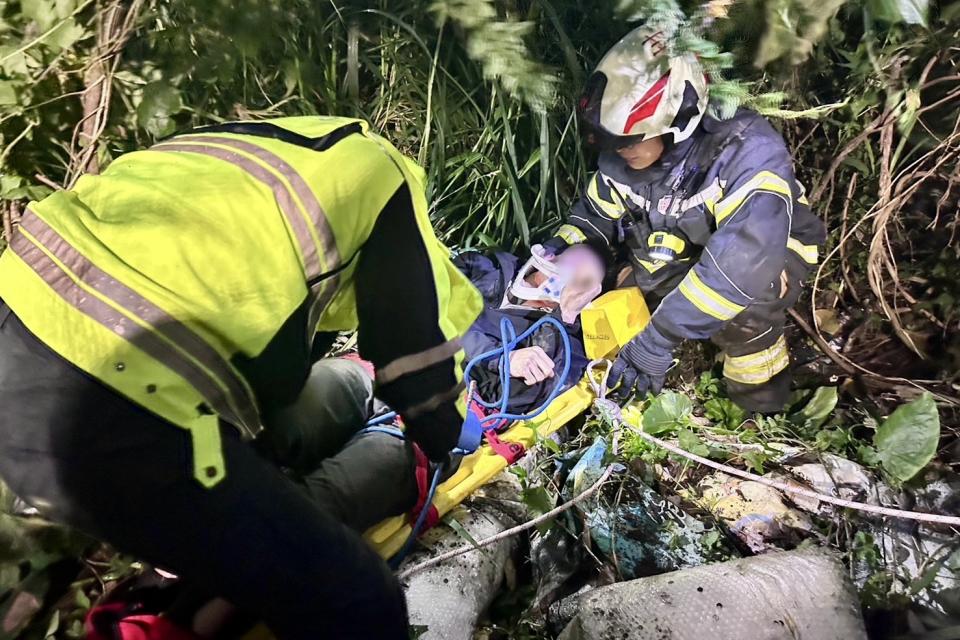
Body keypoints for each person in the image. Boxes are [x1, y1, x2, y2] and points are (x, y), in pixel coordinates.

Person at [0, 116, 482, 639]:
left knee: (22, 575)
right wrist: (443, 438)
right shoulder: (386, 178)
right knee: (357, 600)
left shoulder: (243, 147)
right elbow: (415, 363)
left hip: (16, 315)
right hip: (121, 396)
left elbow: (268, 338)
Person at [539, 26, 826, 413]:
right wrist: (562, 258)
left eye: (630, 140)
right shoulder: (626, 151)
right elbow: (593, 217)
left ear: (679, 119)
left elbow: (739, 265)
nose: (620, 151)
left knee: (748, 304)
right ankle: (677, 355)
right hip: (671, 249)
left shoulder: (745, 152)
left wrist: (657, 339)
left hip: (763, 261)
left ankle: (759, 411)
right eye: (612, 141)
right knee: (612, 287)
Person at [454, 243, 606, 411]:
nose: (572, 284)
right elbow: (435, 312)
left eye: (583, 285)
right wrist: (502, 359)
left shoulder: (565, 349)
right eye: (572, 266)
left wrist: (563, 316)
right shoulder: (478, 267)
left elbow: (510, 400)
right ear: (548, 257)